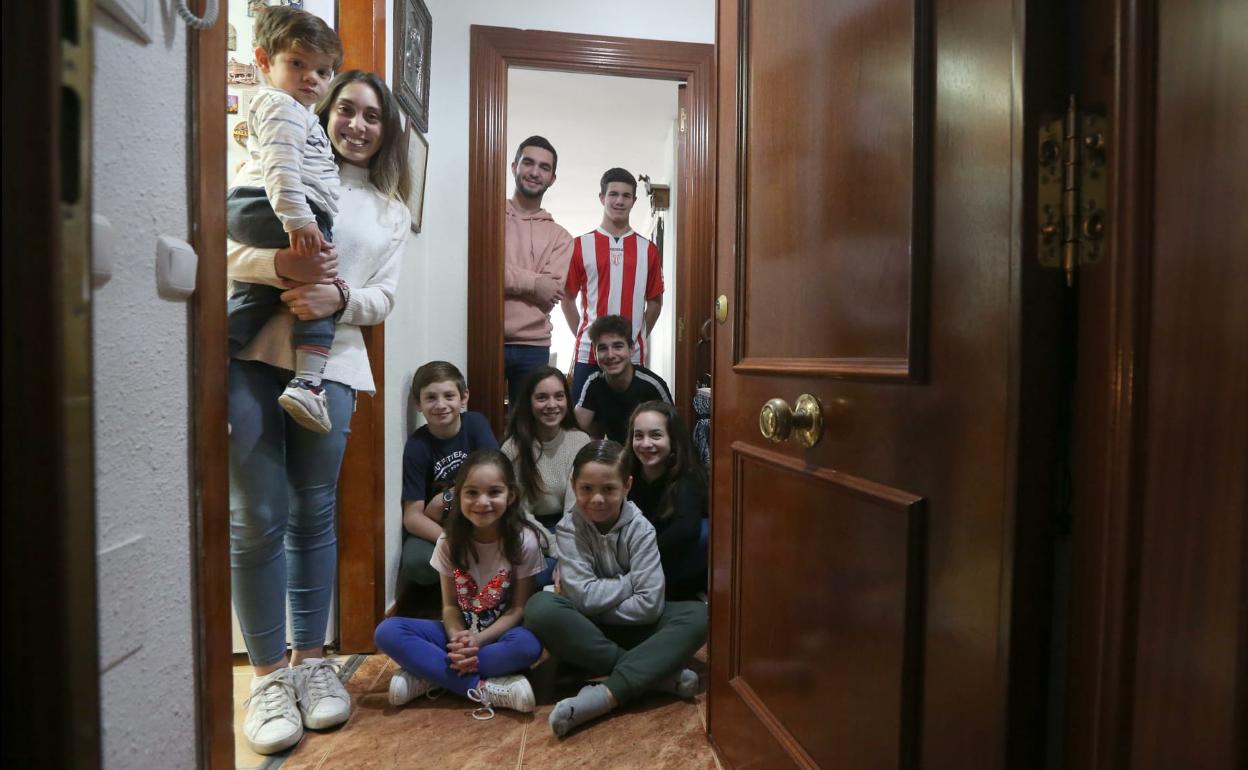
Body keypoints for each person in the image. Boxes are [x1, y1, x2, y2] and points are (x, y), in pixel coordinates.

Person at [228, 69, 412, 755]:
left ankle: (312, 665)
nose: (358, 125)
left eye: (372, 116)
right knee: (255, 518)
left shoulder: (391, 210)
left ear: (385, 131)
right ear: (324, 113)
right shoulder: (269, 164)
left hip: (331, 368)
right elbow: (224, 253)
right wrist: (285, 269)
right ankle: (268, 678)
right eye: (348, 110)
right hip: (247, 357)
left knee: (313, 514)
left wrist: (340, 301)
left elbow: (382, 299)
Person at [524, 440, 708, 737]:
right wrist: (628, 583)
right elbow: (581, 597)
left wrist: (592, 603)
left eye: (609, 489)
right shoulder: (569, 528)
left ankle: (607, 694)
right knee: (539, 609)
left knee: (700, 616)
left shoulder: (641, 529)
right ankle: (657, 675)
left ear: (627, 486)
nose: (597, 499)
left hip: (614, 625)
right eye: (586, 489)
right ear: (573, 486)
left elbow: (649, 605)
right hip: (586, 626)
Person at [227, 6, 344, 433]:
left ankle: (206, 376)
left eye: (323, 71)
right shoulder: (282, 107)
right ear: (263, 61)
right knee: (319, 280)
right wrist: (300, 221)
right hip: (275, 207)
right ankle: (309, 382)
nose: (312, 78)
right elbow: (281, 169)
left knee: (251, 299)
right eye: (298, 64)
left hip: (254, 205)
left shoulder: (294, 112)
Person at [375, 450, 544, 719]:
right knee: (388, 631)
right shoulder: (448, 542)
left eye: (494, 492)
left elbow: (517, 610)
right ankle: (479, 688)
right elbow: (451, 607)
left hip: (499, 636)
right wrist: (458, 638)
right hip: (457, 636)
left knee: (528, 647)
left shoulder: (524, 541)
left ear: (510, 496)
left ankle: (429, 675)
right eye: (472, 493)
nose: (482, 502)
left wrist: (477, 641)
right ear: (458, 495)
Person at [561, 167, 664, 404]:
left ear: (634, 200)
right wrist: (588, 335)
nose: (619, 201)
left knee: (630, 425)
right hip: (589, 355)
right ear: (602, 198)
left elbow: (655, 301)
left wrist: (637, 335)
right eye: (613, 194)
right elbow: (567, 299)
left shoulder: (647, 250)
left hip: (633, 356)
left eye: (626, 195)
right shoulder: (580, 245)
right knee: (585, 430)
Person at [400, 361, 499, 592]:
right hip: (442, 526)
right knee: (417, 563)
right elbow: (412, 517)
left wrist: (446, 498)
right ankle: (453, 593)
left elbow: (496, 480)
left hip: (483, 516)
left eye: (449, 396)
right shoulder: (417, 446)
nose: (441, 405)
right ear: (418, 404)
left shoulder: (475, 424)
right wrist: (452, 541)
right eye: (431, 398)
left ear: (463, 398)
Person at [501, 366, 591, 586]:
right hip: (530, 530)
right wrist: (554, 548)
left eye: (559, 396)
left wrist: (566, 549)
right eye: (542, 397)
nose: (552, 405)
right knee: (542, 573)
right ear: (529, 403)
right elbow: (520, 512)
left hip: (573, 527)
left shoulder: (580, 440)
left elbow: (576, 507)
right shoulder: (512, 448)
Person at [504, 136, 574, 412]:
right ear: (514, 167)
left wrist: (509, 278)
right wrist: (534, 282)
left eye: (544, 167)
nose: (535, 172)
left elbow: (550, 293)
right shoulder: (487, 216)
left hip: (534, 346)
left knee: (528, 432)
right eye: (528, 163)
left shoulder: (561, 238)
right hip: (486, 336)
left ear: (552, 178)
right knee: (480, 424)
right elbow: (483, 274)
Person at [624, 401, 709, 601]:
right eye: (639, 435)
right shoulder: (622, 472)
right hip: (627, 557)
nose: (646, 444)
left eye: (656, 435)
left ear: (672, 439)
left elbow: (685, 529)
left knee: (704, 533)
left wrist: (639, 557)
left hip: (668, 562)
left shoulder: (688, 477)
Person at [575, 314, 673, 443]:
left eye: (618, 346)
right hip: (617, 457)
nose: (610, 355)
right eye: (603, 348)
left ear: (631, 349)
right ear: (595, 353)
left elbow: (674, 433)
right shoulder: (594, 382)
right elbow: (575, 430)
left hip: (650, 453)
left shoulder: (652, 384)